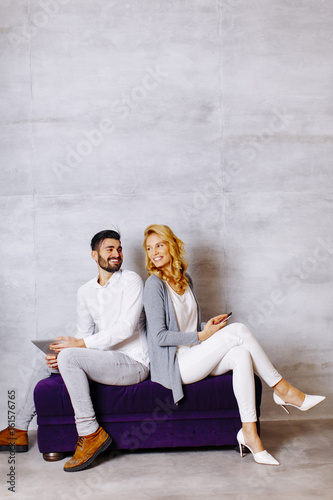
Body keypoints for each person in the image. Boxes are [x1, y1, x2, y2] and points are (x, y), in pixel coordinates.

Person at [142, 224, 325, 466]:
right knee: (238, 331)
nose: (154, 252)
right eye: (149, 248)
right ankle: (283, 390)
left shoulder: (186, 280)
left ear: (172, 245)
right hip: (175, 365)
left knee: (240, 354)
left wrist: (208, 326)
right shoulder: (154, 285)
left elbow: (188, 325)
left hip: (194, 353)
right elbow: (160, 337)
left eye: (159, 245)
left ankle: (249, 434)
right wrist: (202, 336)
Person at [0, 228, 149, 472]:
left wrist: (77, 346)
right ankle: (18, 430)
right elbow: (85, 335)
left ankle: (90, 433)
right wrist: (68, 348)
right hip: (105, 360)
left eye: (119, 249)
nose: (116, 254)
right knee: (52, 358)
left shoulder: (131, 280)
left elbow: (125, 328)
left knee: (69, 354)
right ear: (94, 255)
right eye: (109, 249)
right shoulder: (85, 291)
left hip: (134, 363)